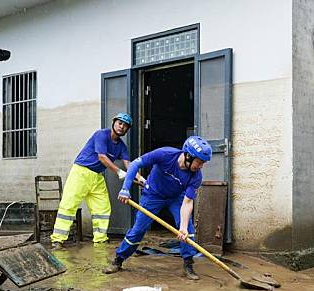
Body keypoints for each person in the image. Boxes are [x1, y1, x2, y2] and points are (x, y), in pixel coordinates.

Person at [102, 136, 212, 280]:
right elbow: (135, 164)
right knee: (138, 230)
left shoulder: (196, 176)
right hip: (153, 195)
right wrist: (125, 189)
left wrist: (183, 227)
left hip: (176, 198)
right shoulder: (165, 154)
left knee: (188, 231)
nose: (201, 166)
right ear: (188, 156)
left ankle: (188, 264)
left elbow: (187, 202)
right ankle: (118, 260)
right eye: (200, 162)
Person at [51, 113, 145, 249]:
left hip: (97, 176)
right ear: (113, 123)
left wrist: (140, 178)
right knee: (69, 205)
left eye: (125, 126)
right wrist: (118, 172)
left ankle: (100, 239)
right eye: (120, 123)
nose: (122, 127)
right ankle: (57, 240)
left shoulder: (121, 146)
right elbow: (102, 157)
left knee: (103, 208)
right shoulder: (101, 135)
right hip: (81, 172)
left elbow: (129, 165)